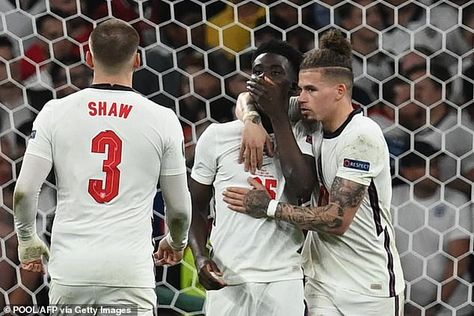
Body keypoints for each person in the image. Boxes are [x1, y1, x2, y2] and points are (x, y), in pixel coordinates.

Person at [13, 18, 191, 314]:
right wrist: (175, 241)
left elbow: (24, 191)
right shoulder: (162, 118)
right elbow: (180, 208)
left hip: (71, 268)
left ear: (88, 57)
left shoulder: (55, 112)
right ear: (137, 60)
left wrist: (28, 239)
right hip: (129, 270)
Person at [224, 29, 405, 315]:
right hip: (320, 281)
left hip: (368, 287)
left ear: (340, 91)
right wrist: (252, 119)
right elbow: (249, 97)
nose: (302, 97)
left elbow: (336, 220)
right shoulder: (312, 117)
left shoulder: (361, 136)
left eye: (311, 90)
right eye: (300, 88)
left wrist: (268, 207)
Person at [189, 39, 316, 316]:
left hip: (285, 278)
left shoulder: (305, 135)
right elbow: (195, 206)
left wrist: (275, 117)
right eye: (258, 72)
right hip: (229, 278)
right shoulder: (217, 136)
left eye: (276, 72)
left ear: (294, 86)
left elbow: (303, 187)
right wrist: (200, 258)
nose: (263, 79)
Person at [393, 142, 472, 315]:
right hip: (404, 306)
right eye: (427, 165)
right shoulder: (392, 200)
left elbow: (459, 259)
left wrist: (433, 307)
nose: (435, 171)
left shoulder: (456, 201)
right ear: (407, 172)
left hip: (453, 308)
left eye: (436, 164)